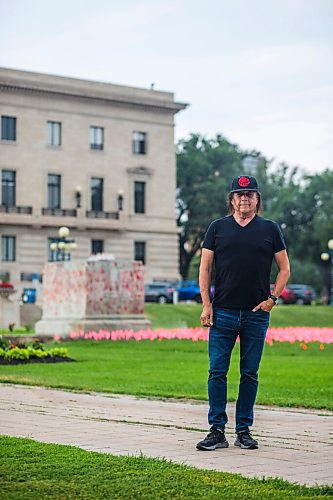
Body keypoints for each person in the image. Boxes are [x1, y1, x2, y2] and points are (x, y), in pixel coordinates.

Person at [196, 175, 290, 451]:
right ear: (232, 199)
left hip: (256, 314)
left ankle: (244, 431)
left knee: (249, 373)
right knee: (217, 372)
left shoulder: (270, 229)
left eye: (249, 194)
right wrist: (206, 304)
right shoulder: (217, 228)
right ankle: (216, 431)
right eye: (239, 194)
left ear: (257, 199)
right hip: (222, 312)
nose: (244, 198)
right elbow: (204, 269)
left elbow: (284, 268)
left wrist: (273, 298)